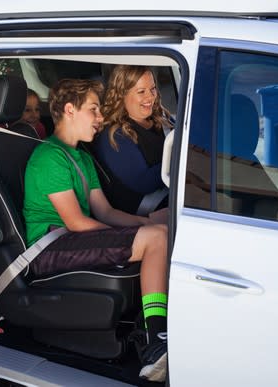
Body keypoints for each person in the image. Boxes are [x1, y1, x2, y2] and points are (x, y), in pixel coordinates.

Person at [23, 78, 169, 382]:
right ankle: (157, 341)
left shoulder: (81, 157)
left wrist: (149, 222)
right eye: (94, 110)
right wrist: (135, 239)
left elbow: (105, 211)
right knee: (154, 240)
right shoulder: (48, 158)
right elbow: (76, 222)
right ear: (69, 110)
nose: (101, 118)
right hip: (51, 246)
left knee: (160, 229)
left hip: (72, 238)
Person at [92, 65, 174, 215]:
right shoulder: (114, 135)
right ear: (121, 95)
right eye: (141, 92)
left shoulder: (162, 118)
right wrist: (181, 161)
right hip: (149, 208)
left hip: (172, 191)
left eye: (153, 89)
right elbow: (144, 183)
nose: (150, 97)